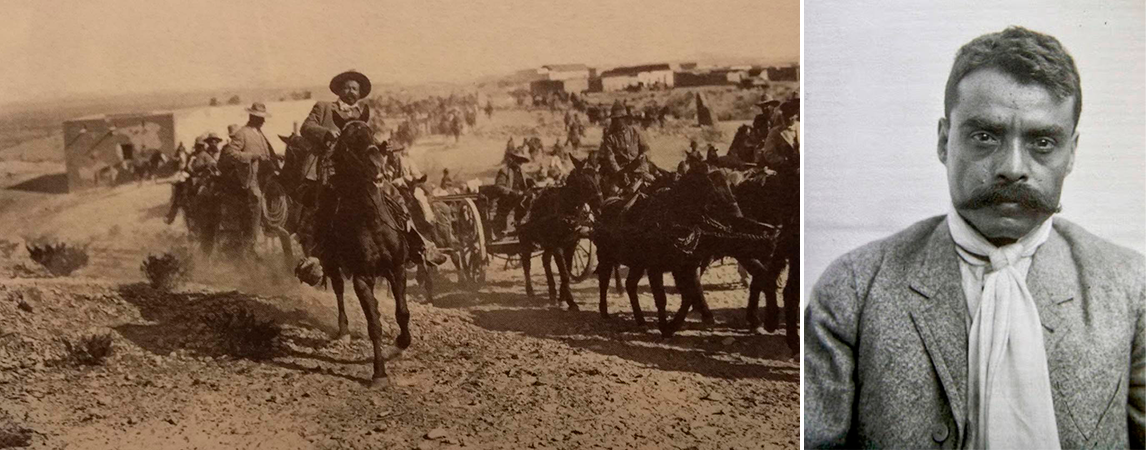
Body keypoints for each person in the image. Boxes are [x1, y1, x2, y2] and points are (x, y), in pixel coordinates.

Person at [804, 27, 1144, 449]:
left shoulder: (1131, 288)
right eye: (985, 136)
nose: (1013, 168)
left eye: (1042, 142)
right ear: (945, 141)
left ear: (1071, 152)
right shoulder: (853, 289)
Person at [218, 103, 275, 258]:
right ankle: (253, 241)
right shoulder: (242, 133)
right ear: (253, 117)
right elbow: (230, 153)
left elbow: (267, 153)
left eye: (263, 118)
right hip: (251, 178)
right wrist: (251, 156)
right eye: (260, 118)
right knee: (256, 200)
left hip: (265, 175)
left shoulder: (260, 133)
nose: (263, 121)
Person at [596, 100, 656, 198]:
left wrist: (644, 156)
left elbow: (646, 149)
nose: (618, 121)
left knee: (657, 187)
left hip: (640, 170)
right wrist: (619, 172)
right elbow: (611, 158)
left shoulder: (635, 131)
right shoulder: (610, 137)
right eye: (615, 119)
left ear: (625, 119)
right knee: (613, 194)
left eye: (620, 118)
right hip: (622, 174)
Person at [491, 146, 530, 241]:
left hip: (522, 200)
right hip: (507, 200)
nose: (520, 163)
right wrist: (513, 192)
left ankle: (526, 227)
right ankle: (507, 229)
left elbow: (529, 182)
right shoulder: (504, 171)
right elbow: (499, 187)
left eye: (521, 161)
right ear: (512, 160)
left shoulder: (523, 172)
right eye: (518, 160)